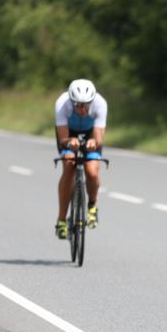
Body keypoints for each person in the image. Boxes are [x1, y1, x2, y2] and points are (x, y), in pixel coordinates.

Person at [54, 79, 108, 239]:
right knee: (69, 165)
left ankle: (92, 206)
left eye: (86, 105)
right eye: (78, 105)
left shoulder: (100, 103)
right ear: (72, 101)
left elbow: (98, 137)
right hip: (69, 134)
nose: (82, 109)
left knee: (92, 172)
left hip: (91, 133)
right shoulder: (62, 104)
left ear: (92, 101)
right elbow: (62, 138)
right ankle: (61, 220)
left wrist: (93, 142)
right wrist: (69, 142)